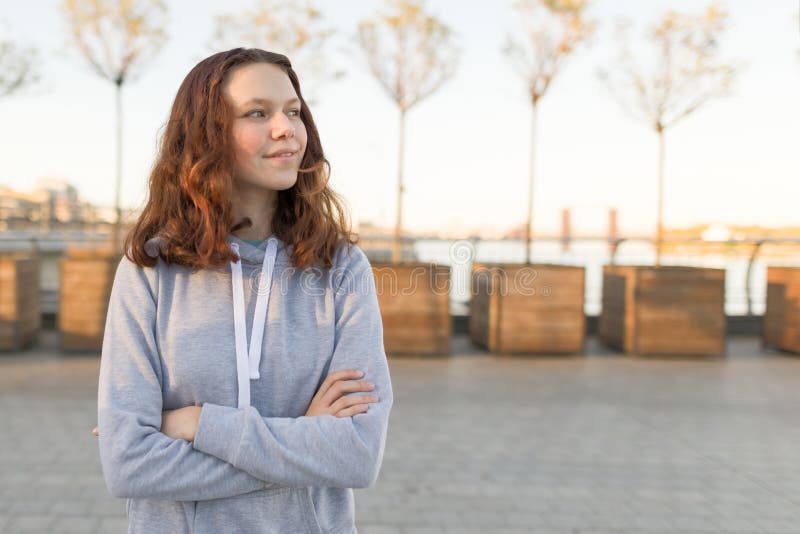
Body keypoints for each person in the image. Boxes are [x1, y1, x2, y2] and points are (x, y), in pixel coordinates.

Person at [94, 48, 393, 533]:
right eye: (258, 112)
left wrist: (196, 424)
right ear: (206, 135)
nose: (286, 129)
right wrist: (302, 443)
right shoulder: (150, 270)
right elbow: (130, 464)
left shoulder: (341, 268)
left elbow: (356, 456)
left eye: (293, 112)